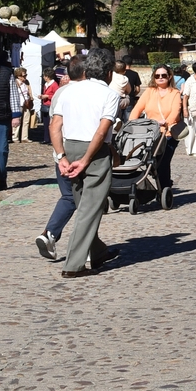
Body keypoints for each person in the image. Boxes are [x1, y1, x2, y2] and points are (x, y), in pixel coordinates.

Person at [50, 48, 122, 277]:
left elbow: (55, 126)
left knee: (84, 204)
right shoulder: (109, 94)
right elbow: (101, 132)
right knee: (89, 210)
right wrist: (86, 159)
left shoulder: (68, 90)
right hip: (94, 151)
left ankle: (98, 251)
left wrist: (61, 156)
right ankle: (73, 265)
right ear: (109, 72)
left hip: (70, 146)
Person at [34, 55, 86, 261]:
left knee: (69, 197)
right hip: (81, 151)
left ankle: (50, 234)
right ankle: (86, 248)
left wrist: (59, 154)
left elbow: (53, 125)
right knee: (87, 201)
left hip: (61, 151)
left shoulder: (60, 92)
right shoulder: (87, 92)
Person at [130, 64, 183, 188]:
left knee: (163, 163)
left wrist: (165, 123)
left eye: (163, 75)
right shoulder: (150, 91)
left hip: (168, 133)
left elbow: (175, 112)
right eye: (157, 76)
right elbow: (137, 108)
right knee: (148, 162)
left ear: (169, 77)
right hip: (150, 133)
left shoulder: (174, 93)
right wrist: (131, 123)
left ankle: (164, 188)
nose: (160, 78)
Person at [0, 49, 17, 189]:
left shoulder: (7, 73)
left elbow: (13, 94)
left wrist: (16, 115)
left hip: (2, 116)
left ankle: (1, 178)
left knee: (2, 150)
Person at [39, 68, 59, 144]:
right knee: (46, 124)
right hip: (45, 105)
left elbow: (56, 95)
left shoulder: (54, 85)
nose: (43, 77)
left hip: (51, 105)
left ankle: (51, 139)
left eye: (44, 76)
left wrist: (47, 96)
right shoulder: (46, 84)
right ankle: (46, 138)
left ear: (47, 76)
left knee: (51, 124)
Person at [12, 67, 32, 142]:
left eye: (26, 75)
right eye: (24, 75)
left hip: (26, 103)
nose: (25, 77)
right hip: (19, 103)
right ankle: (15, 137)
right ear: (18, 76)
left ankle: (24, 137)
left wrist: (31, 98)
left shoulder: (26, 82)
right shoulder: (15, 82)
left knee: (26, 120)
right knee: (17, 120)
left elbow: (29, 91)